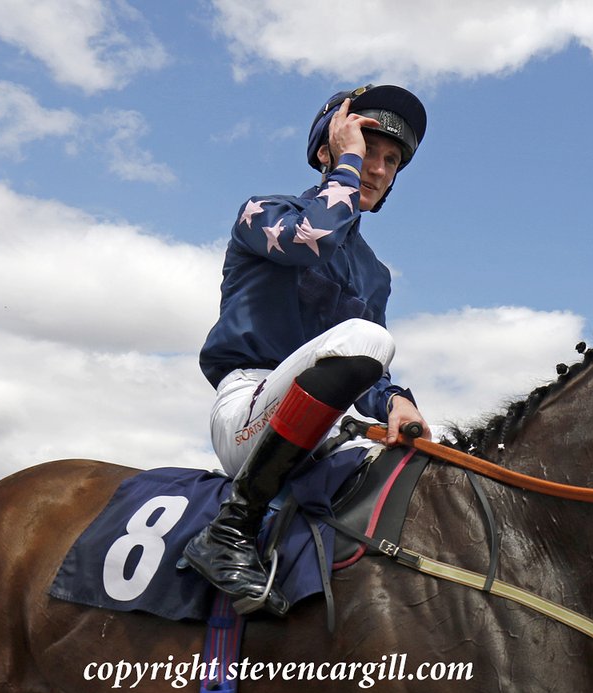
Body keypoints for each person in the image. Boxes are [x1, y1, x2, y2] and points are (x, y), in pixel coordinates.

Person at [183, 84, 432, 617]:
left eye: (392, 161)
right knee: (371, 340)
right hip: (250, 411)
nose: (379, 168)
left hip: (326, 431)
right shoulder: (261, 211)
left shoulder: (375, 274)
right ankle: (230, 529)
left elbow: (369, 378)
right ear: (328, 150)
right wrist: (346, 163)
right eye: (368, 149)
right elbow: (311, 239)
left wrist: (398, 404)